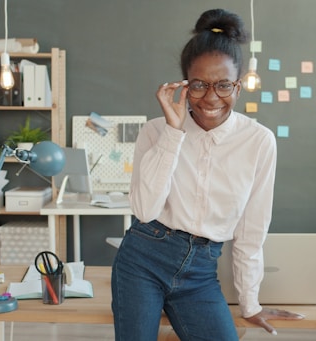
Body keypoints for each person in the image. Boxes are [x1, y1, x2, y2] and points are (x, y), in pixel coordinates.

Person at [111, 8, 304, 340]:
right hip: (143, 260)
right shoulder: (156, 132)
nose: (211, 98)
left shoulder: (258, 142)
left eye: (224, 85)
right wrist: (174, 134)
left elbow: (251, 229)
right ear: (185, 85)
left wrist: (250, 301)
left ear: (238, 87)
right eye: (199, 85)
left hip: (201, 272)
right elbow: (144, 211)